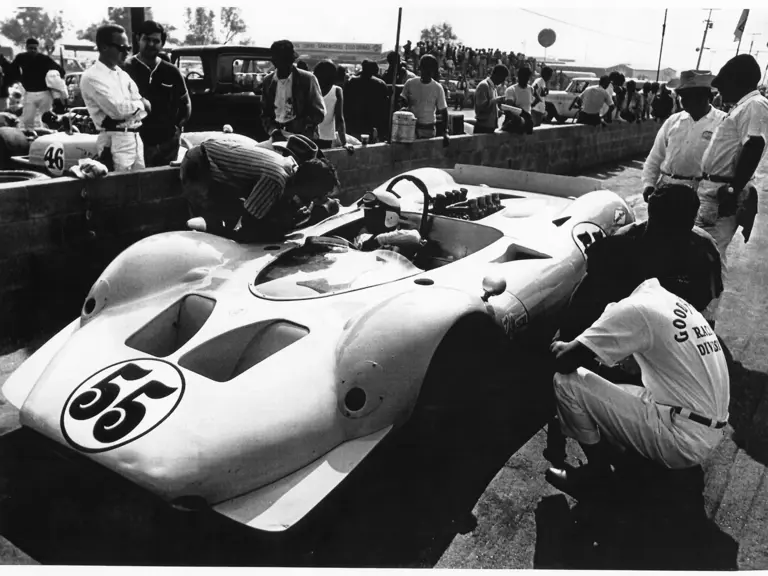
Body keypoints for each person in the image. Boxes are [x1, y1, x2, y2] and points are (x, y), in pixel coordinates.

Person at [545, 235, 729, 493]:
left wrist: (561, 346)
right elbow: (630, 365)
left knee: (567, 383)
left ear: (609, 278)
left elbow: (565, 362)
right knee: (610, 379)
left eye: (594, 277)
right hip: (706, 427)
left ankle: (597, 474)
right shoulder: (666, 298)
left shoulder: (633, 308)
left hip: (682, 440)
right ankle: (629, 452)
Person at [697, 54, 768, 325]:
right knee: (703, 251)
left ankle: (706, 317)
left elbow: (754, 145)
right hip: (712, 187)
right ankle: (703, 314)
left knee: (709, 254)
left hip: (719, 191)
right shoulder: (743, 106)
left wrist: (732, 189)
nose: (721, 90)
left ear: (738, 81)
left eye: (724, 83)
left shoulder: (755, 105)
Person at [181, 134, 340, 243]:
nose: (316, 199)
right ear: (309, 185)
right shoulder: (276, 179)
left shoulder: (291, 167)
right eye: (317, 194)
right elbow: (249, 221)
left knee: (230, 217)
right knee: (211, 232)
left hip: (215, 167)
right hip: (200, 165)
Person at [642, 70, 726, 201]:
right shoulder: (673, 121)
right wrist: (649, 183)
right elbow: (655, 157)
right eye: (682, 95)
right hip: (666, 187)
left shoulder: (723, 123)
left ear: (705, 96)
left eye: (689, 96)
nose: (683, 100)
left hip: (700, 192)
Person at [79, 25, 149, 172]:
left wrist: (137, 105)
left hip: (135, 137)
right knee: (119, 188)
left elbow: (143, 107)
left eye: (128, 48)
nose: (126, 52)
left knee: (140, 187)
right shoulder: (92, 77)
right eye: (122, 48)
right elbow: (118, 110)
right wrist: (140, 105)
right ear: (104, 47)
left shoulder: (122, 74)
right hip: (114, 140)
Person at [124, 20, 191, 167]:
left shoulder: (171, 71)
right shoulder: (125, 69)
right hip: (135, 143)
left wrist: (177, 130)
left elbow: (185, 103)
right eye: (146, 39)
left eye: (156, 41)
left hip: (167, 144)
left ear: (162, 43)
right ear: (138, 39)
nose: (151, 44)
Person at [261, 40, 326, 142]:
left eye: (286, 61)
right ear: (274, 62)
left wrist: (300, 127)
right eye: (280, 61)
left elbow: (319, 113)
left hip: (303, 138)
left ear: (292, 60)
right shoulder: (268, 81)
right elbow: (265, 114)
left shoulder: (308, 79)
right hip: (276, 136)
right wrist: (274, 131)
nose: (284, 66)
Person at [11, 38, 65, 130]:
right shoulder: (21, 58)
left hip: (45, 94)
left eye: (35, 48)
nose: (33, 50)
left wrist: (52, 78)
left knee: (47, 119)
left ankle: (47, 138)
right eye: (30, 48)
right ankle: (30, 138)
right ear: (26, 48)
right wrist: (19, 79)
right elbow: (12, 69)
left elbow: (61, 71)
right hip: (29, 93)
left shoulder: (44, 59)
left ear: (38, 48)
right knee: (27, 120)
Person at [353, 190, 422, 259]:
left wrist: (379, 240)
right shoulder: (364, 235)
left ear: (390, 217)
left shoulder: (401, 237)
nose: (369, 218)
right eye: (367, 213)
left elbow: (415, 237)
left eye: (373, 215)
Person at [400, 54, 449, 140]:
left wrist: (445, 132)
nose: (427, 72)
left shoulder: (437, 87)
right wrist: (403, 106)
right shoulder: (410, 83)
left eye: (430, 70)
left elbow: (444, 111)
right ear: (420, 68)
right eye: (425, 69)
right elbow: (402, 101)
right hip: (411, 127)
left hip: (428, 130)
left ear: (433, 71)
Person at [343, 60, 389, 142]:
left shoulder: (351, 82)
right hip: (370, 124)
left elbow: (345, 104)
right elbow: (384, 108)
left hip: (353, 123)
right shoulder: (380, 84)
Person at [312, 60, 353, 151]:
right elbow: (339, 119)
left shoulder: (310, 88)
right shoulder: (337, 91)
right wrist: (344, 143)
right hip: (326, 138)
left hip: (308, 137)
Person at [473, 64, 508, 134]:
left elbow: (490, 106)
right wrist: (497, 100)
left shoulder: (493, 87)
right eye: (503, 78)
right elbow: (481, 107)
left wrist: (498, 112)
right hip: (483, 127)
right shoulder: (483, 86)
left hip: (490, 126)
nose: (503, 81)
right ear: (497, 75)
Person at [504, 66, 536, 133]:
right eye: (523, 77)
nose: (525, 79)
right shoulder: (511, 90)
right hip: (516, 119)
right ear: (518, 77)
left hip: (527, 120)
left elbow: (530, 105)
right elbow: (509, 109)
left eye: (527, 77)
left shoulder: (531, 89)